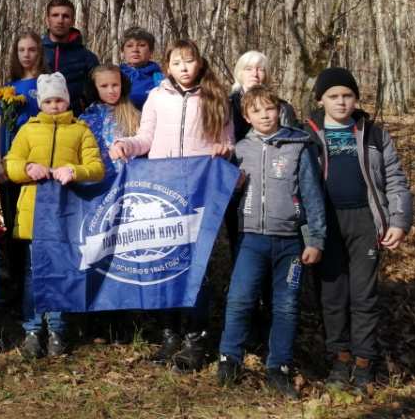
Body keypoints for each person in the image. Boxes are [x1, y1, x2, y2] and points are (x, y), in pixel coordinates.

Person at [112, 38, 234, 372]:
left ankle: (196, 339)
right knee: (164, 263)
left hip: (199, 191)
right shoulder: (156, 96)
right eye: (177, 62)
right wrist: (125, 144)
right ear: (167, 66)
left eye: (189, 61)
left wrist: (224, 150)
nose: (184, 67)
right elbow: (146, 137)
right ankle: (169, 335)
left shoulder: (216, 96)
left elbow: (228, 140)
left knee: (197, 266)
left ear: (199, 63)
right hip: (163, 191)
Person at [303, 68, 414, 393]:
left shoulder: (374, 135)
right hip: (324, 225)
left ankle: (364, 363)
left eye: (347, 95)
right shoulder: (307, 135)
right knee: (332, 296)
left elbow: (395, 179)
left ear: (355, 98)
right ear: (321, 100)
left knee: (364, 297)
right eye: (333, 96)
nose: (341, 102)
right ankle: (340, 360)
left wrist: (399, 221)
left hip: (365, 222)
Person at [215, 86, 326, 400]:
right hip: (251, 240)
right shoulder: (240, 150)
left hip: (290, 243)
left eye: (269, 109)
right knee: (239, 299)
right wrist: (236, 187)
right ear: (246, 117)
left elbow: (312, 195)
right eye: (256, 111)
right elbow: (228, 200)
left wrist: (315, 238)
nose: (264, 116)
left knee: (287, 307)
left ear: (279, 110)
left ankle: (279, 367)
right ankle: (229, 358)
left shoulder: (298, 146)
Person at [4, 72, 104, 359]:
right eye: (48, 101)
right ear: (41, 104)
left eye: (59, 100)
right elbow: (11, 163)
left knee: (61, 270)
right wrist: (27, 168)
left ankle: (57, 328)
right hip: (35, 212)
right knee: (33, 272)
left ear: (67, 100)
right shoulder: (28, 130)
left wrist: (74, 171)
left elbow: (96, 168)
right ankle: (33, 329)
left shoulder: (80, 130)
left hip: (67, 214)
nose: (54, 106)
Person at [79, 64, 141, 345]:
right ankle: (97, 320)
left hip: (127, 195)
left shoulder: (135, 116)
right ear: (94, 89)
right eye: (104, 86)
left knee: (123, 257)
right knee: (98, 254)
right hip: (97, 196)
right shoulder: (85, 120)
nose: (110, 90)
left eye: (115, 85)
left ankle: (122, 321)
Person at [0, 31, 48, 313]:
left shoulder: (47, 84)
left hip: (37, 167)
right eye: (21, 50)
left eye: (32, 49)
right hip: (9, 165)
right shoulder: (8, 88)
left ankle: (37, 287)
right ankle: (15, 285)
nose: (27, 55)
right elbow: (0, 127)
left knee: (35, 228)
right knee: (13, 225)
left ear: (40, 52)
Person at [42, 0, 99, 115]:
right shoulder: (35, 53)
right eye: (55, 15)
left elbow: (96, 98)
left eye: (65, 16)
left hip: (75, 121)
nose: (60, 21)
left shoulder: (87, 58)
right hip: (38, 122)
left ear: (72, 21)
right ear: (47, 20)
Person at [228, 51, 298, 141]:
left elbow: (293, 142)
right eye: (248, 69)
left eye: (260, 70)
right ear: (239, 73)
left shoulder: (283, 107)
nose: (255, 74)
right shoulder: (228, 104)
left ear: (266, 75)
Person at [119, 26, 165, 110]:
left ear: (150, 51)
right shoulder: (114, 77)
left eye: (141, 45)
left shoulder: (162, 80)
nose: (135, 50)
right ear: (122, 51)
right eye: (129, 45)